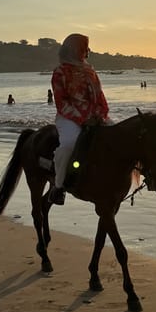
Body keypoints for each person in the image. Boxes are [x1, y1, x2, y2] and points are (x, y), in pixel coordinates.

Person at [49, 33, 110, 205]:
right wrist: (83, 119)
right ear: (74, 50)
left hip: (95, 116)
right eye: (84, 48)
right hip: (68, 117)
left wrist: (100, 115)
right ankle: (59, 186)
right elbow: (62, 103)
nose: (87, 51)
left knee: (118, 135)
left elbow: (100, 98)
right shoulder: (59, 73)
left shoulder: (90, 71)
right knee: (69, 145)